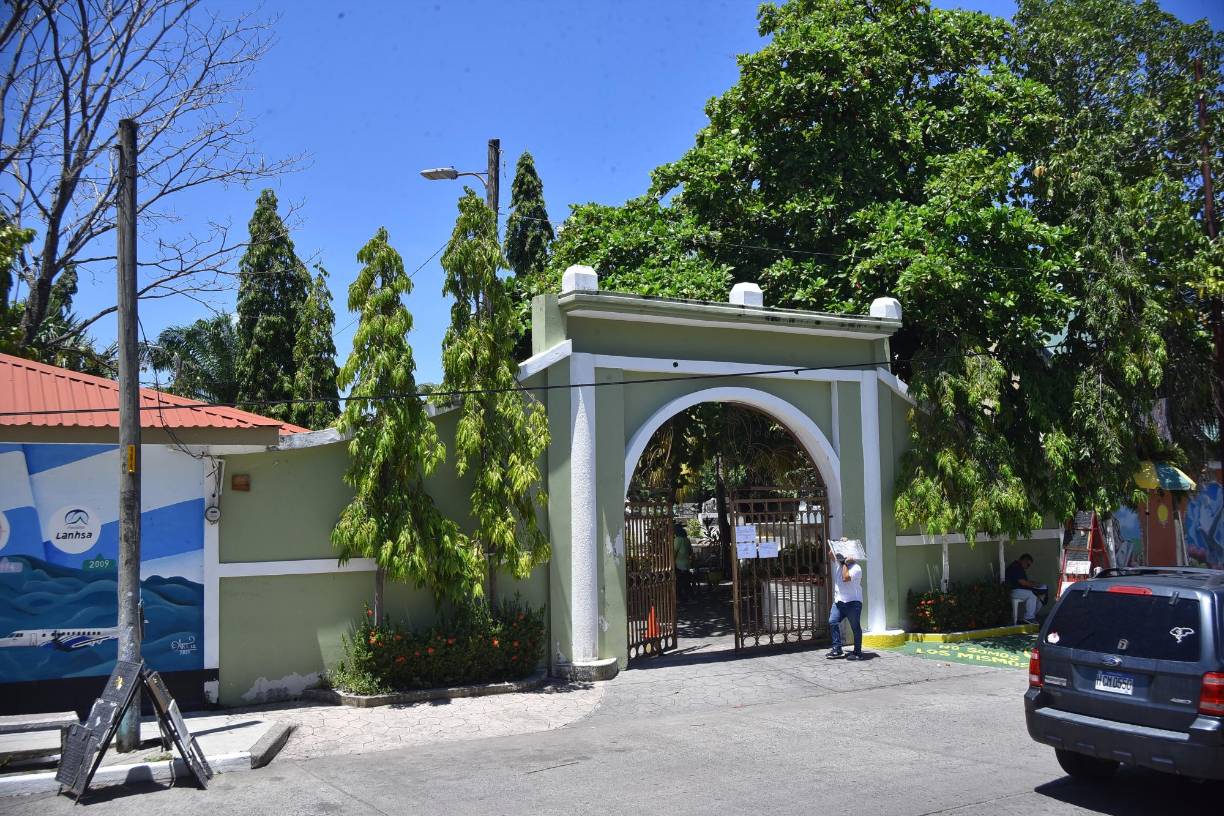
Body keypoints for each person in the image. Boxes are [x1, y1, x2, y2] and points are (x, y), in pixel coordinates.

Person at [827, 550, 863, 660]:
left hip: (853, 602)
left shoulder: (856, 568)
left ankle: (857, 652)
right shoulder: (840, 564)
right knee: (833, 621)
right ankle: (837, 649)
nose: (842, 556)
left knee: (855, 627)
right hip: (839, 602)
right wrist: (838, 544)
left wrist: (845, 563)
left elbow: (845, 578)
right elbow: (830, 554)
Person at [1005, 553, 1045, 624]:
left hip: (1018, 590)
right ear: (1024, 560)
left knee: (1039, 596)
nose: (1028, 567)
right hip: (1012, 590)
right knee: (1032, 594)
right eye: (1028, 564)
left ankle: (1031, 616)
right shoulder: (1016, 567)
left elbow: (1025, 581)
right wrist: (1035, 585)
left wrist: (1035, 584)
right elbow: (1023, 582)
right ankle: (1029, 617)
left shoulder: (1020, 567)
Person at [674, 522, 694, 600]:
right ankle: (687, 597)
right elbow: (690, 552)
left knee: (679, 582)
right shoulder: (687, 539)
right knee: (686, 582)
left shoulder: (677, 540)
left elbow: (674, 552)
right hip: (687, 564)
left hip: (678, 565)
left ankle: (680, 598)